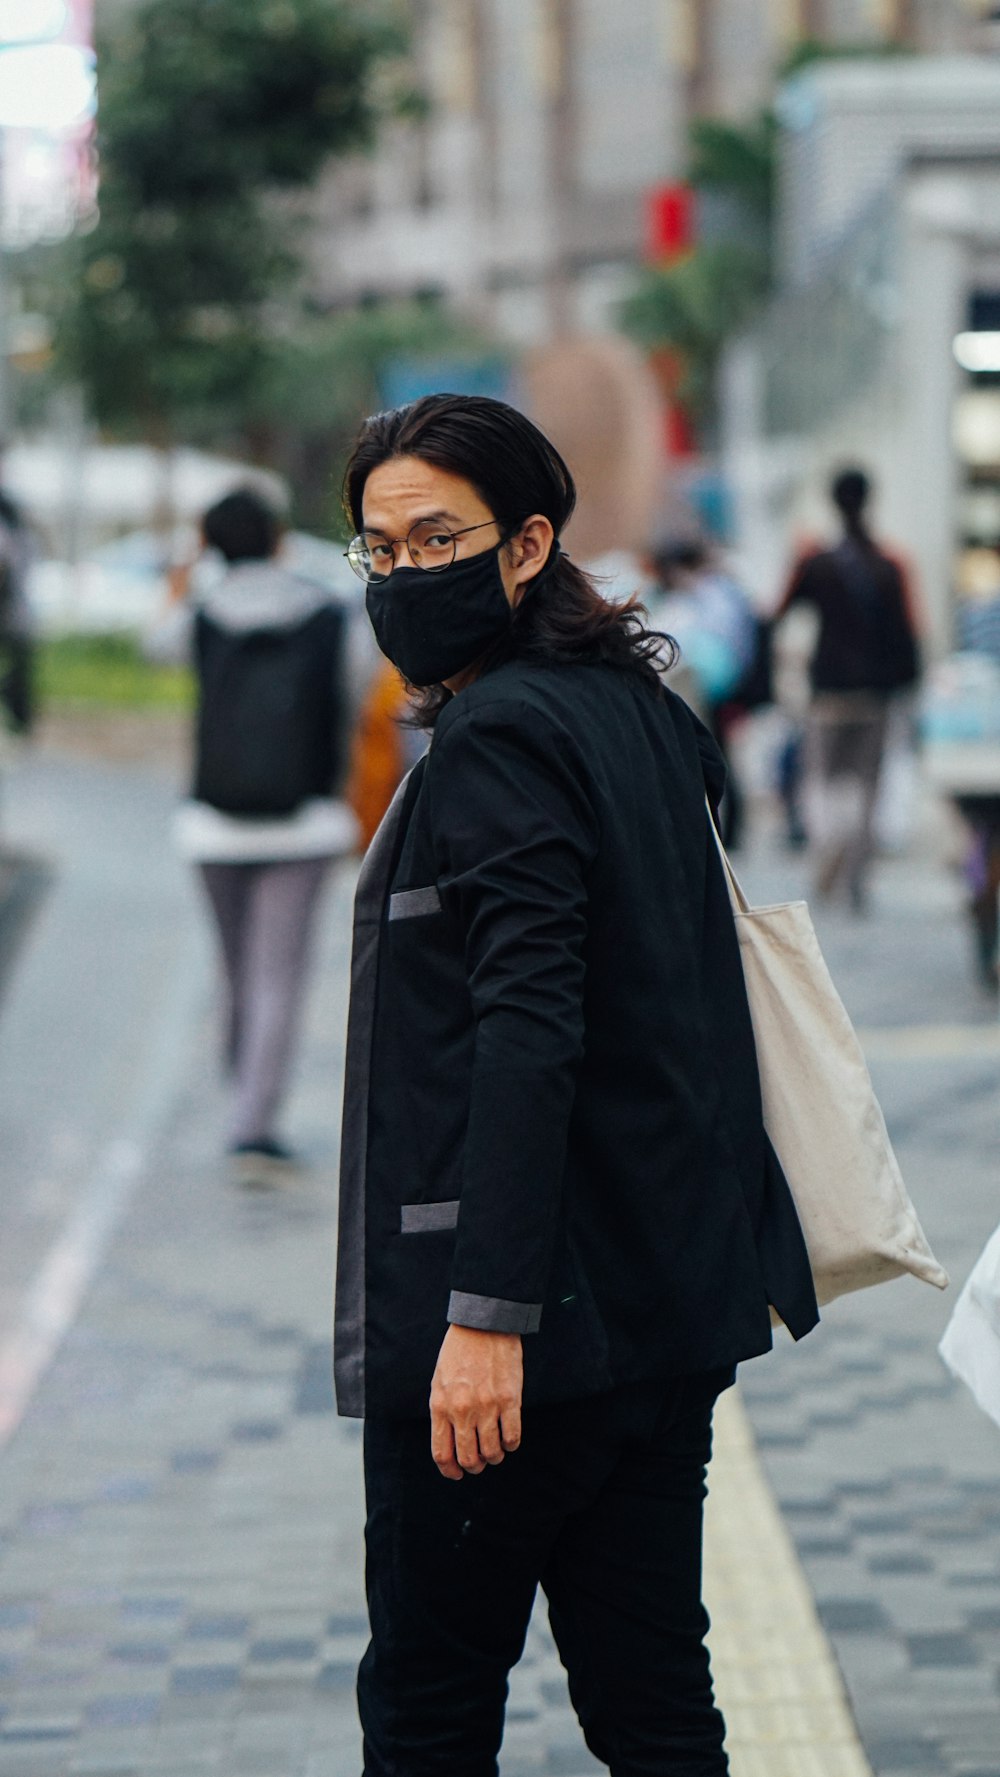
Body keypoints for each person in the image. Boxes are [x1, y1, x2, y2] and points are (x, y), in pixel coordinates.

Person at [333, 394, 818, 1775]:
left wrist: (484, 1321)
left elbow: (527, 1033)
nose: (405, 576)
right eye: (377, 549)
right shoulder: (642, 715)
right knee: (658, 1706)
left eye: (440, 538)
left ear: (529, 541)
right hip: (665, 1314)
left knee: (429, 1709)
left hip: (522, 1343)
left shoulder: (500, 741)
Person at [148, 487, 357, 1182]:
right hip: (304, 825)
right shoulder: (328, 610)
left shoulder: (203, 614)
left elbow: (156, 645)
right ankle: (253, 1127)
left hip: (213, 826)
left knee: (236, 971)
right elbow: (363, 688)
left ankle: (243, 1094)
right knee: (278, 977)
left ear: (210, 543)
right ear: (277, 538)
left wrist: (184, 576)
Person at [779, 467, 921, 910]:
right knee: (866, 787)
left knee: (821, 781)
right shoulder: (890, 564)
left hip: (828, 691)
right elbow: (908, 633)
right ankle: (854, 876)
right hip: (876, 694)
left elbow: (778, 611)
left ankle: (829, 860)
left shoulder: (816, 562)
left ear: (833, 502)